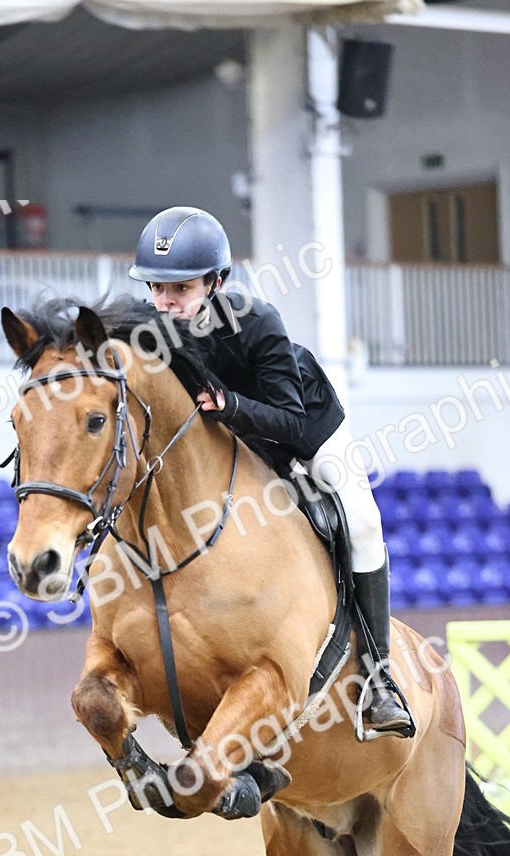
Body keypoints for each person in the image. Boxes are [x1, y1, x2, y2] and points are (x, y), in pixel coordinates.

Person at [129, 205, 413, 739]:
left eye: (180, 289)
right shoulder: (156, 329)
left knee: (365, 522)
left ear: (216, 283)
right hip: (235, 441)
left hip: (306, 432)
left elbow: (290, 420)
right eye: (156, 289)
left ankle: (379, 680)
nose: (164, 303)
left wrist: (230, 404)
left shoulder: (257, 323)